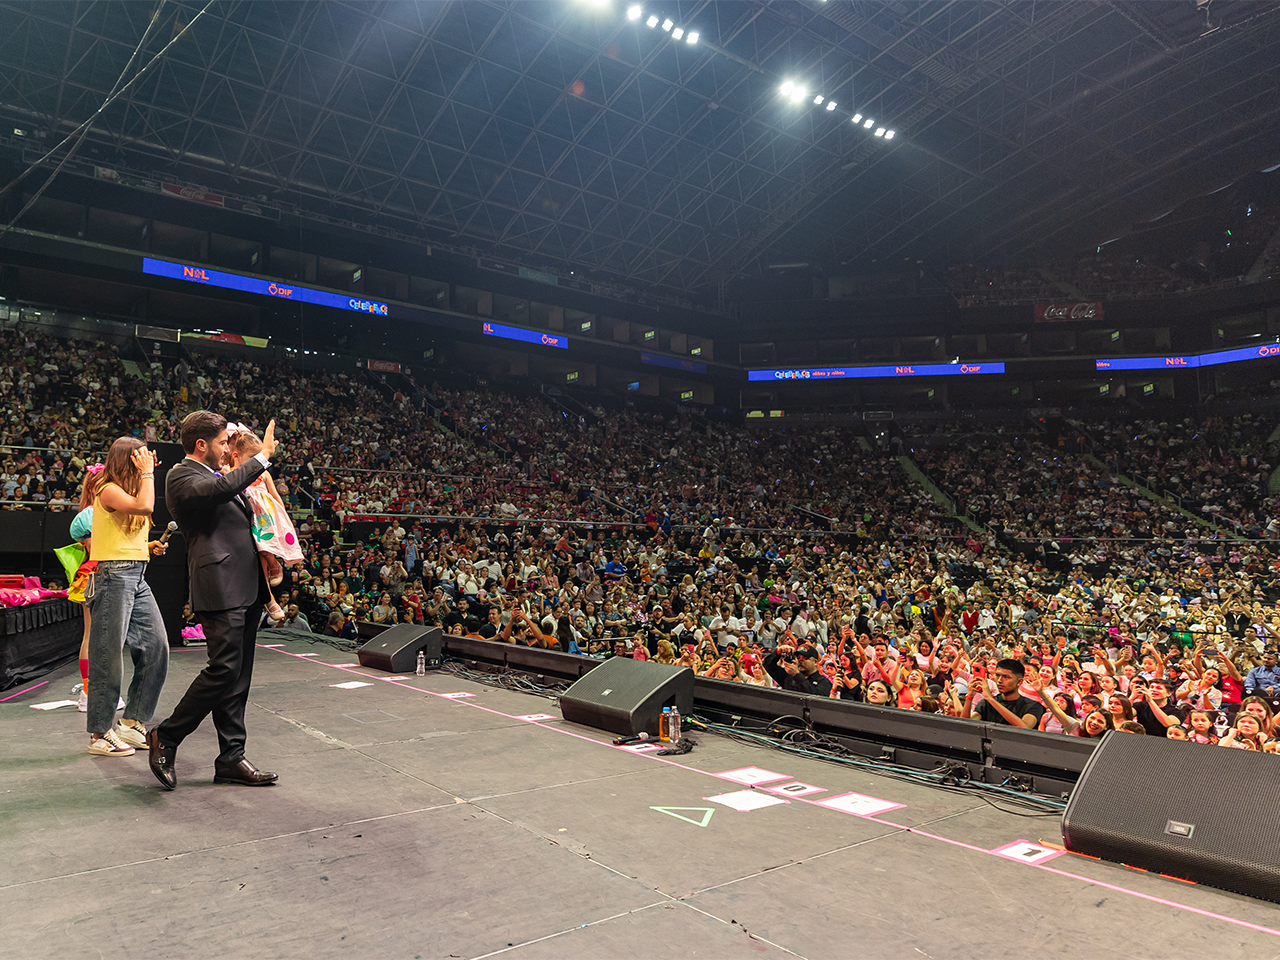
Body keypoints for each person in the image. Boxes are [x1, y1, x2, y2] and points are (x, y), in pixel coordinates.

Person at [147, 412, 280, 790]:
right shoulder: (181, 476)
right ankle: (167, 736)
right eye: (223, 443)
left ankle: (231, 757)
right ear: (201, 444)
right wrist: (262, 456)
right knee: (222, 669)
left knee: (237, 676)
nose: (227, 449)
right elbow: (218, 493)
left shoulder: (218, 476)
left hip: (245, 585)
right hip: (218, 583)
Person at [84, 438, 170, 756]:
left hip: (135, 574)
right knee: (108, 657)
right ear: (127, 461)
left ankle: (132, 722)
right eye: (141, 459)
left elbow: (119, 536)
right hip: (113, 577)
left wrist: (147, 547)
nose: (147, 464)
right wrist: (148, 474)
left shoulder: (126, 491)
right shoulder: (107, 488)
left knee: (156, 646)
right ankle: (100, 732)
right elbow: (146, 506)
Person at [227, 425, 304, 621]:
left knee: (262, 546)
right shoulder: (231, 473)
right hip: (245, 520)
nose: (259, 462)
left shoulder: (264, 474)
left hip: (264, 518)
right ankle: (270, 590)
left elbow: (276, 497)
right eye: (253, 457)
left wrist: (283, 520)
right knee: (258, 550)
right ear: (235, 455)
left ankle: (270, 588)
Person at [962, 659, 1045, 728]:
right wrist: (969, 697)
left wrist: (990, 698)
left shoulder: (1033, 706)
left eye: (1006, 677)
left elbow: (1024, 727)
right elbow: (966, 727)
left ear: (1019, 682)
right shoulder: (986, 704)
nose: (999, 680)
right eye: (998, 675)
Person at [763, 643, 832, 697]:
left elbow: (816, 699)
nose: (800, 661)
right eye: (798, 657)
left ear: (815, 662)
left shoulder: (824, 682)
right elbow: (768, 665)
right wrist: (778, 652)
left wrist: (797, 675)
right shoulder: (788, 677)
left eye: (805, 658)